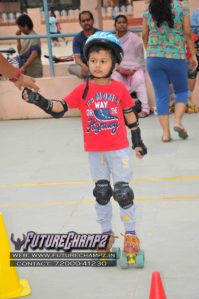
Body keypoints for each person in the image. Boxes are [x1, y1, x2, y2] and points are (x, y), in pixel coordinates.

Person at [22, 31, 147, 255]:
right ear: (87, 62)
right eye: (93, 61)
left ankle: (130, 235)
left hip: (118, 150)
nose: (97, 65)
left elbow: (130, 116)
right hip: (95, 153)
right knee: (101, 192)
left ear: (114, 63)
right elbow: (59, 107)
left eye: (103, 61)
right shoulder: (83, 90)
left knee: (123, 192)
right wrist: (38, 100)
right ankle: (106, 235)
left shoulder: (119, 89)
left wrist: (137, 140)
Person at [142, 0, 198, 142]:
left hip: (154, 58)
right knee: (182, 91)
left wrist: (150, 50)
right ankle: (178, 121)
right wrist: (192, 54)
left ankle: (166, 134)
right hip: (176, 57)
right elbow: (187, 32)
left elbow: (144, 35)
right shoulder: (182, 7)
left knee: (161, 95)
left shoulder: (149, 9)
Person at [111, 14, 150, 118]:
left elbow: (140, 57)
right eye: (119, 23)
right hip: (118, 70)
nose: (122, 24)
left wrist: (133, 68)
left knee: (140, 78)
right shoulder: (112, 40)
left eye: (124, 22)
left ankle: (145, 109)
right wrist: (119, 68)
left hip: (134, 69)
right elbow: (111, 57)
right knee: (113, 78)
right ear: (115, 25)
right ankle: (119, 109)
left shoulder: (134, 38)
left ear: (127, 24)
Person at [68, 11, 99, 79]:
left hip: (99, 65)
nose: (86, 22)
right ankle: (91, 75)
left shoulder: (100, 35)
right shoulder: (77, 38)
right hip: (86, 67)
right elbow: (77, 58)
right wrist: (83, 66)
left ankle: (91, 76)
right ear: (80, 23)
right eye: (83, 21)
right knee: (71, 67)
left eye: (88, 20)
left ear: (93, 20)